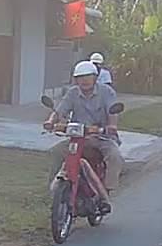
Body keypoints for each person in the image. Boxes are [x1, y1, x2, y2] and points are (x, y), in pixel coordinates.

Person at [44, 61, 123, 213]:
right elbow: (60, 111)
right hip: (78, 138)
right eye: (80, 77)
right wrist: (51, 121)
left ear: (95, 77)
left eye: (88, 76)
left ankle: (106, 193)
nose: (84, 80)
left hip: (101, 137)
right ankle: (55, 191)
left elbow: (112, 112)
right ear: (75, 79)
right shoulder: (72, 93)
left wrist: (112, 126)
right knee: (56, 151)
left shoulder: (106, 92)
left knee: (114, 156)